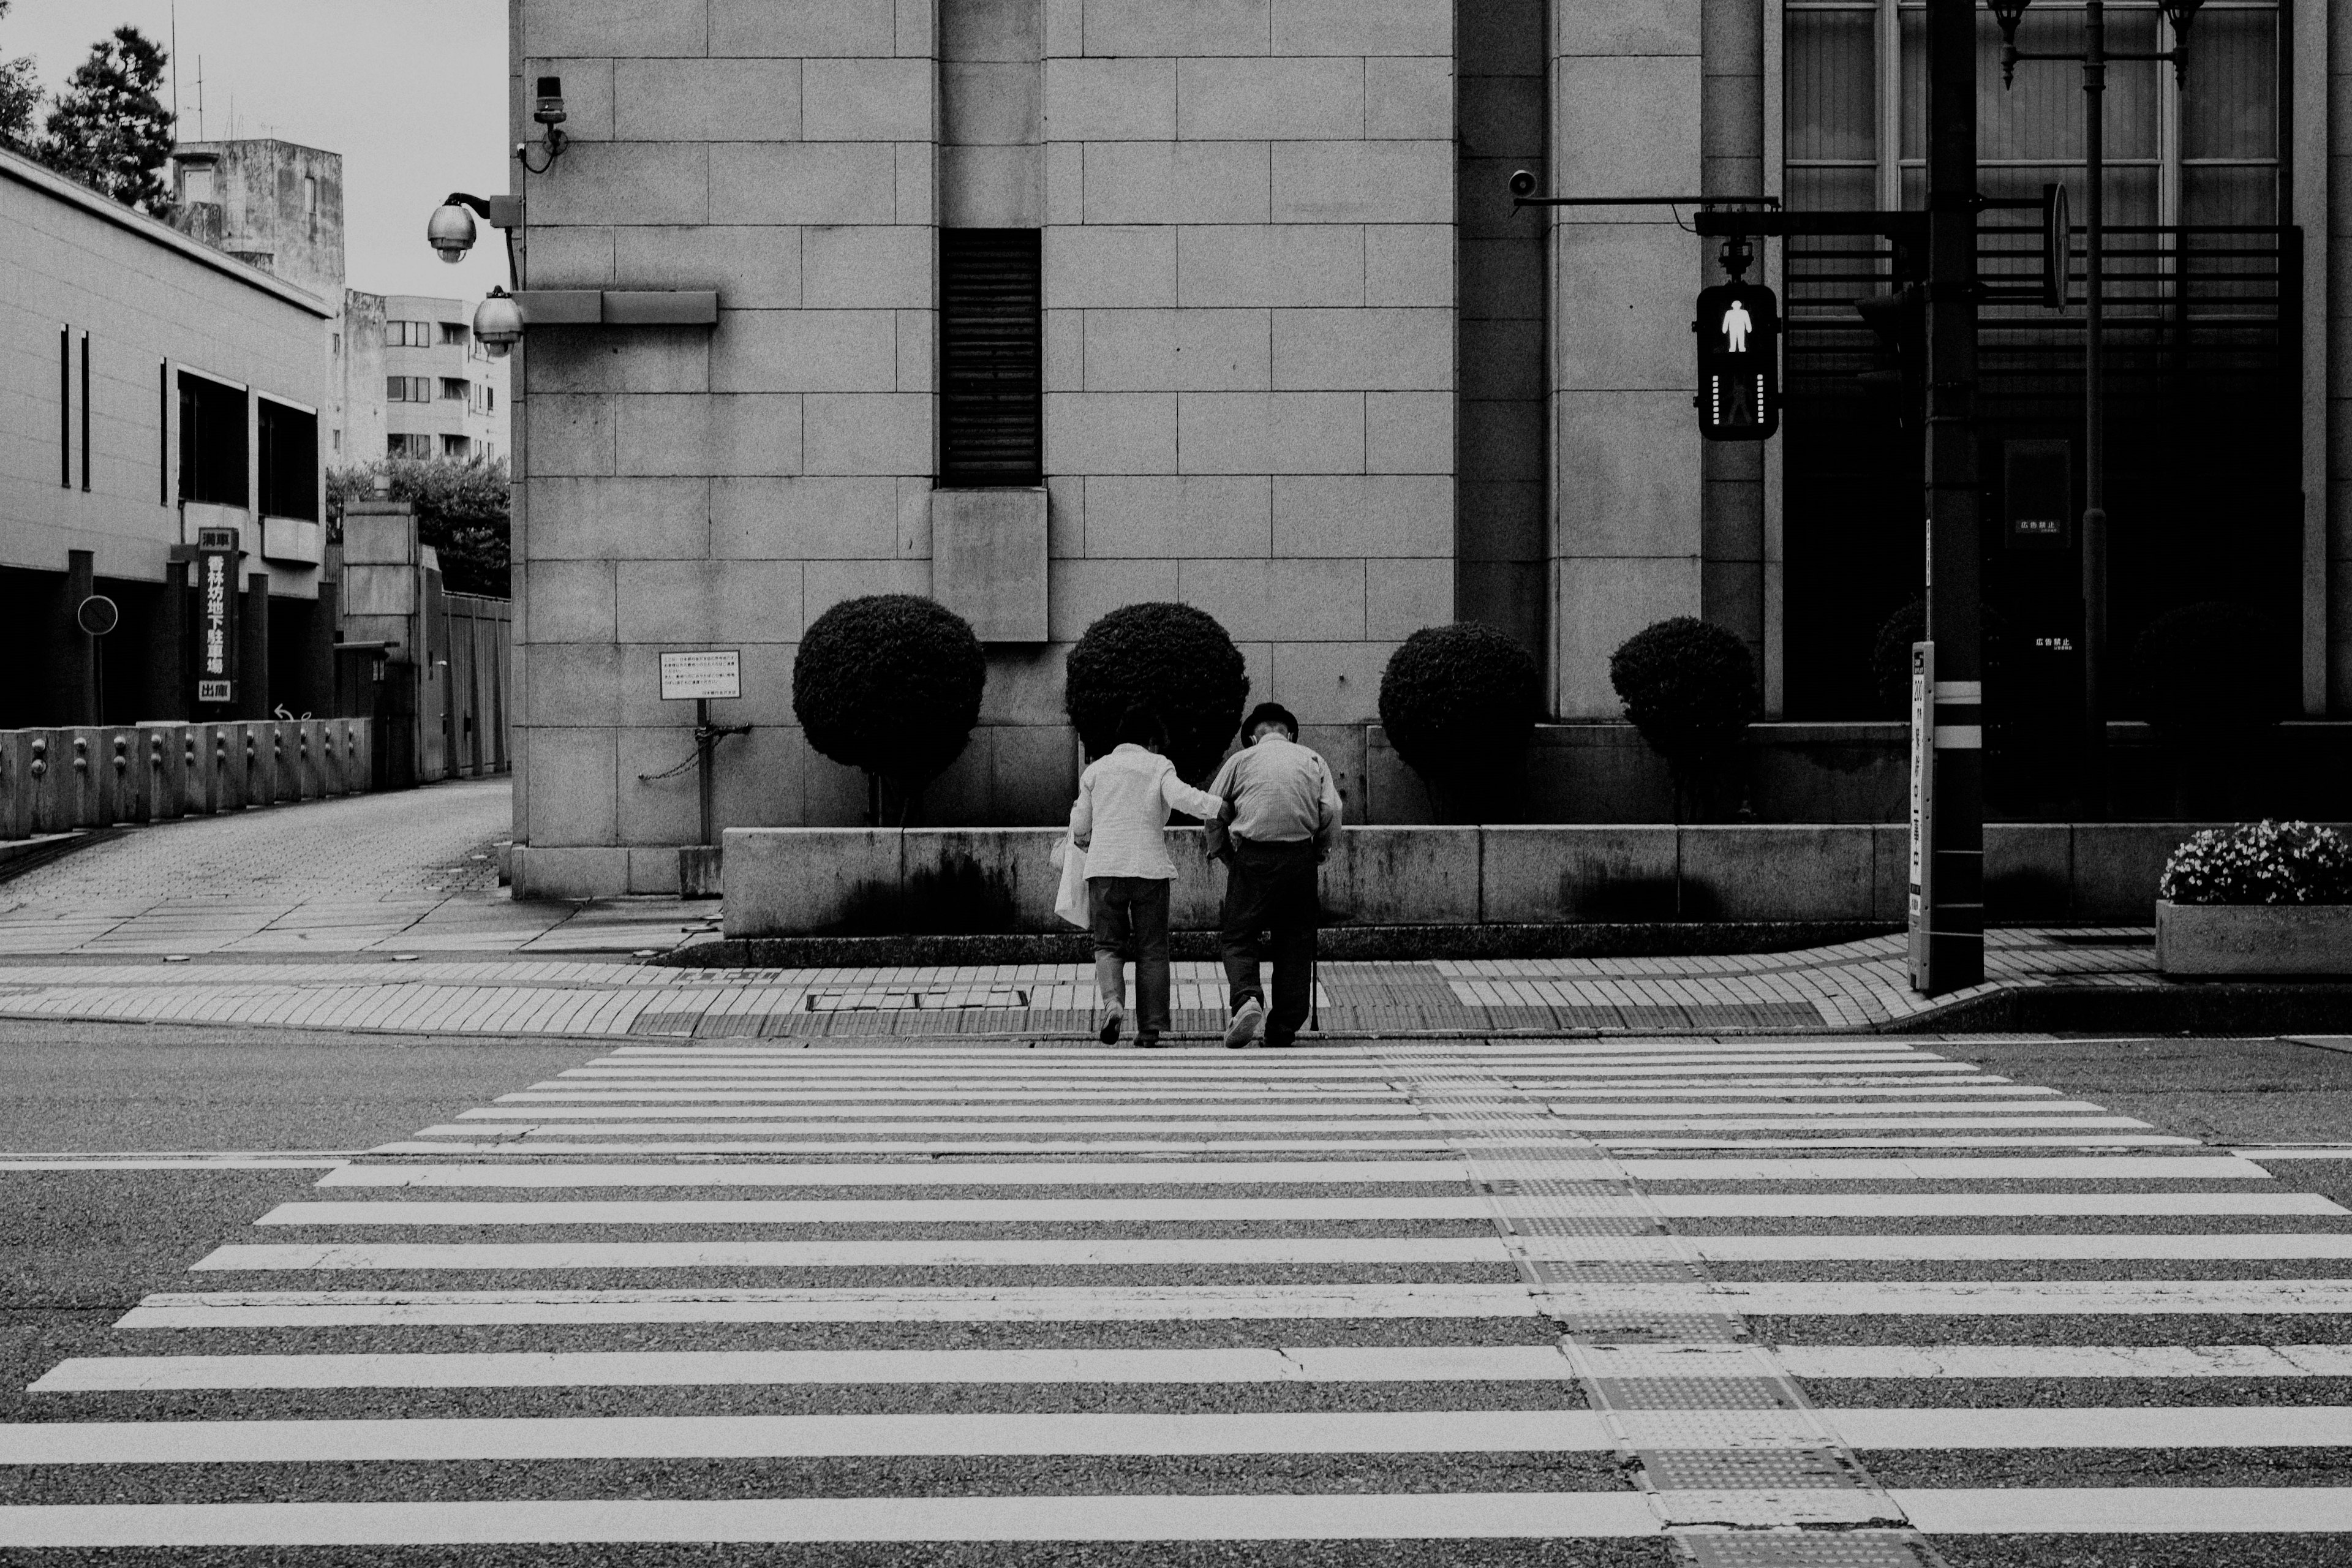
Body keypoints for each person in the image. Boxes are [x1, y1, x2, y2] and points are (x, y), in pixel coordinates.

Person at [1066, 703, 1226, 1049]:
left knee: (1108, 945)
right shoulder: (1158, 766)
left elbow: (1080, 825)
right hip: (1149, 871)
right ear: (1151, 741)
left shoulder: (1097, 770)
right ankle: (1150, 1030)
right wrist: (1219, 807)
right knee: (1152, 949)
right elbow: (1183, 798)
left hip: (1104, 871)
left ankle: (1113, 1004)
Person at [1204, 701, 1342, 1049]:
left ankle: (1247, 998)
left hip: (1252, 857)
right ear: (1289, 733)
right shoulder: (1313, 759)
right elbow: (1333, 808)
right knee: (1296, 939)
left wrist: (1223, 851)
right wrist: (1320, 850)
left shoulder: (1240, 761)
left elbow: (1213, 808)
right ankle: (1283, 1025)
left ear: (1253, 736)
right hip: (1299, 858)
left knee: (1238, 935)